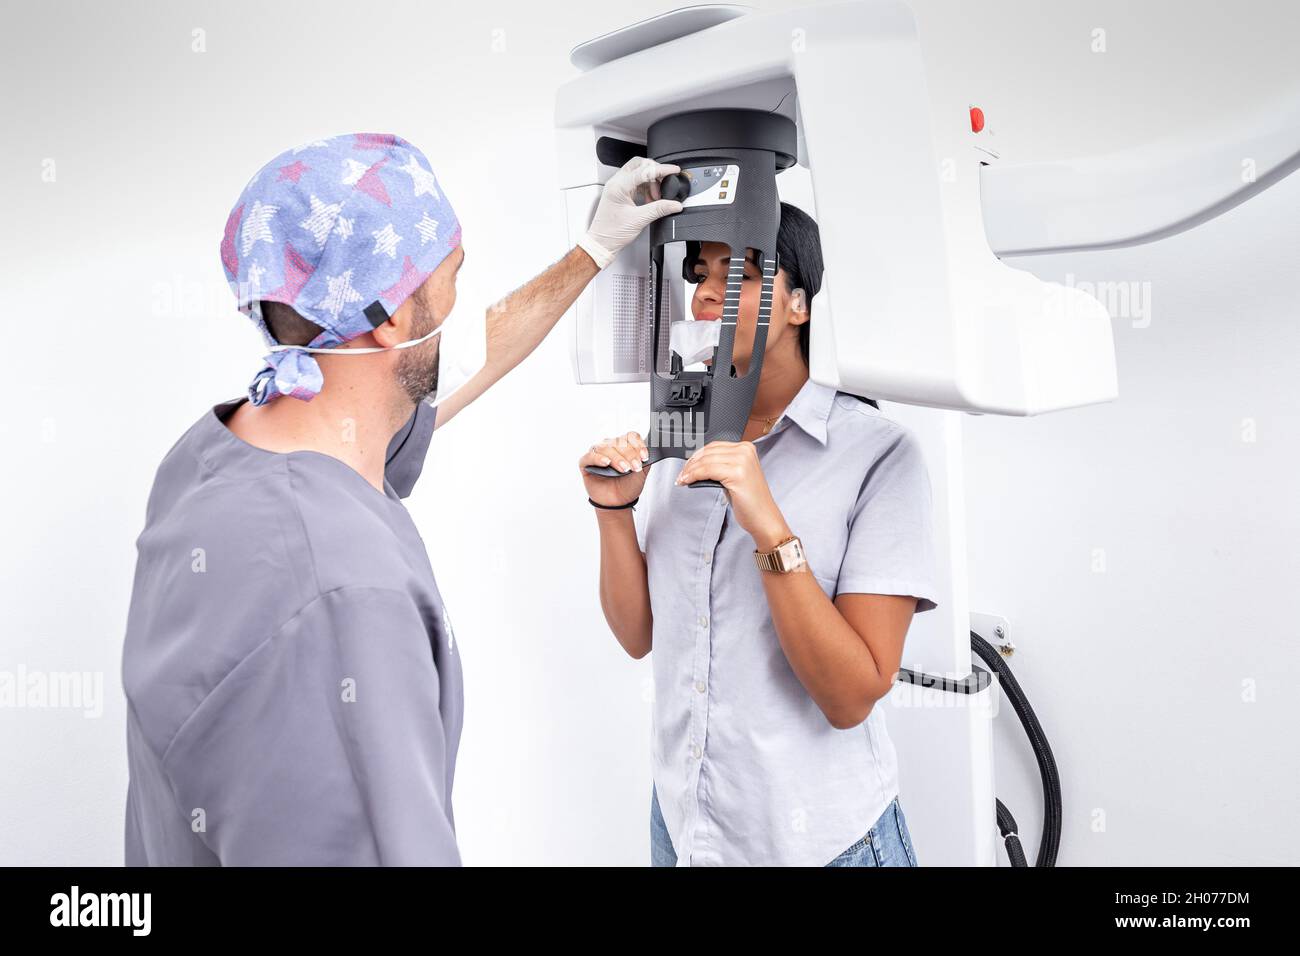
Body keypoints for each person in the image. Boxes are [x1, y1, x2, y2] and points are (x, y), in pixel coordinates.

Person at [121, 132, 681, 865]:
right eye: (451, 274)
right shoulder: (346, 598)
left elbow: (463, 355)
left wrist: (594, 250)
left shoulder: (216, 452)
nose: (457, 302)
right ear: (387, 316)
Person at [578, 202, 940, 866]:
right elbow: (639, 636)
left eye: (738, 274)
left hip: (820, 845)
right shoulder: (682, 430)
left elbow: (851, 697)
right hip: (684, 827)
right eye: (700, 274)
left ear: (799, 304)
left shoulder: (879, 454)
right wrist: (613, 512)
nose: (707, 292)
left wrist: (770, 529)